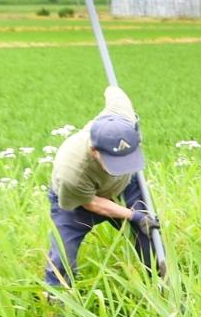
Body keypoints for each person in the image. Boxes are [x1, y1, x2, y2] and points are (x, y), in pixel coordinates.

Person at [44, 85, 161, 287]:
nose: (122, 165)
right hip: (81, 203)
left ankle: (162, 284)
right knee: (62, 257)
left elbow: (115, 92)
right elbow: (92, 204)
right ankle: (58, 303)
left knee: (150, 232)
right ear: (94, 151)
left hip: (125, 187)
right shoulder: (72, 170)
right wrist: (133, 215)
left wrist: (111, 89)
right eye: (115, 161)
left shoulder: (123, 118)